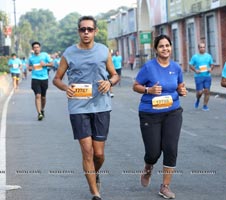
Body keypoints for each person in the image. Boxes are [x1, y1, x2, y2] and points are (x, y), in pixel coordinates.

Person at [53, 16, 119, 200]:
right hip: (78, 107)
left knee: (99, 154)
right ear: (78, 31)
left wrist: (109, 82)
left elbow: (114, 75)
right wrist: (67, 88)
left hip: (101, 106)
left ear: (95, 31)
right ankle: (95, 193)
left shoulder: (103, 51)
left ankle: (93, 173)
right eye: (83, 29)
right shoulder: (69, 53)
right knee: (87, 151)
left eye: (90, 29)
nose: (86, 32)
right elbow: (57, 79)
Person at [132, 34, 187, 199]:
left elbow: (180, 86)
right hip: (150, 114)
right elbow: (135, 86)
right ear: (156, 49)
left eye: (167, 45)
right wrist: (148, 90)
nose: (165, 49)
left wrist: (181, 91)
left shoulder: (176, 68)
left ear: (171, 47)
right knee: (153, 152)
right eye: (161, 46)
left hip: (172, 112)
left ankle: (165, 186)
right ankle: (148, 168)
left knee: (171, 148)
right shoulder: (149, 68)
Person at [28, 42, 53, 121]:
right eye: (34, 47)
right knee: (37, 95)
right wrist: (30, 68)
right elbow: (29, 67)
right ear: (32, 49)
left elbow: (52, 64)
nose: (36, 49)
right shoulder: (31, 58)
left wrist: (45, 64)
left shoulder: (45, 55)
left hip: (44, 78)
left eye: (37, 47)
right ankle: (39, 113)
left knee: (43, 97)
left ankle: (42, 109)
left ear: (40, 48)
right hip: (35, 78)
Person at [189, 43, 214, 111]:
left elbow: (212, 64)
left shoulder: (208, 56)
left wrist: (210, 69)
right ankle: (198, 99)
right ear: (198, 48)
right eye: (201, 47)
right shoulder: (195, 57)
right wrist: (195, 70)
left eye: (203, 47)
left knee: (207, 91)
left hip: (207, 76)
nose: (202, 48)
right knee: (200, 92)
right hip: (198, 76)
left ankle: (205, 105)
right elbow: (190, 65)